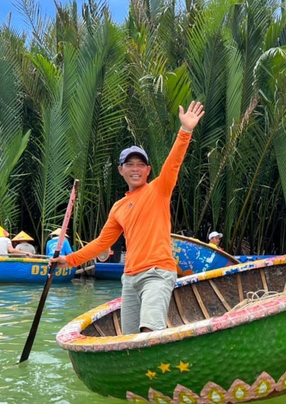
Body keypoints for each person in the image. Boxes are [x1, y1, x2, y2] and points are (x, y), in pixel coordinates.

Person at [51, 101, 205, 334]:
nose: (136, 169)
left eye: (141, 165)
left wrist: (185, 131)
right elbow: (102, 244)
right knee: (129, 339)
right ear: (121, 170)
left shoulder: (158, 189)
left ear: (148, 170)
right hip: (130, 279)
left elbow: (173, 164)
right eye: (129, 164)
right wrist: (69, 260)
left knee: (148, 331)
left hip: (157, 272)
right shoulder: (118, 207)